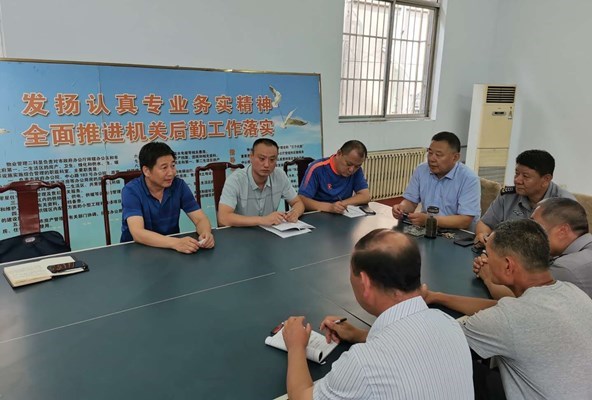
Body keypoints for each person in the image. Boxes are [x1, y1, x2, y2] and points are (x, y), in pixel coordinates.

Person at [282, 229, 473, 400]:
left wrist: (296, 346)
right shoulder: (449, 324)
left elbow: (301, 397)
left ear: (365, 283)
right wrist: (359, 335)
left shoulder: (363, 364)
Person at [423, 219, 592, 400]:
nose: (485, 259)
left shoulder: (507, 319)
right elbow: (503, 308)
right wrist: (437, 297)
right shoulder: (573, 292)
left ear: (508, 265)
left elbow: (436, 342)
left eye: (488, 254)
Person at [474, 197, 592, 298]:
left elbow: (521, 300)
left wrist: (488, 276)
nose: (530, 232)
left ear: (562, 231)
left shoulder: (566, 268)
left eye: (536, 226)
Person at [121, 142, 215, 253]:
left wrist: (205, 233)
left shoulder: (179, 185)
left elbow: (200, 219)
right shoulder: (131, 190)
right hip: (137, 251)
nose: (171, 173)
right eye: (164, 167)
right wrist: (176, 243)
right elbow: (138, 233)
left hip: (171, 249)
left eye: (173, 166)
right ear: (146, 171)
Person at [474, 149, 575, 245]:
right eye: (516, 174)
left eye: (525, 176)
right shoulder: (508, 195)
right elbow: (485, 223)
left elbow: (564, 245)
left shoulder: (564, 205)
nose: (517, 180)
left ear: (546, 179)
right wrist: (483, 235)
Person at [391, 131, 480, 229]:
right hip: (427, 228)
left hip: (458, 233)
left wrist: (430, 220)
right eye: (430, 153)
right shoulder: (421, 170)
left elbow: (465, 220)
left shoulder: (469, 179)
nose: (431, 159)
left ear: (455, 157)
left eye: (438, 155)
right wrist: (401, 208)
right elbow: (411, 202)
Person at [218, 138, 305, 227]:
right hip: (242, 231)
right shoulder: (236, 180)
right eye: (262, 159)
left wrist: (295, 213)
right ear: (251, 157)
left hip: (271, 231)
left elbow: (298, 203)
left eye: (272, 159)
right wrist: (262, 220)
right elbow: (223, 218)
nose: (267, 165)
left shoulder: (279, 175)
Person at [298, 140, 371, 214]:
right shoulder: (317, 168)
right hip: (318, 213)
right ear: (339, 153)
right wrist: (330, 207)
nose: (351, 170)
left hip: (341, 214)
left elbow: (365, 196)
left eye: (357, 166)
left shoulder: (357, 170)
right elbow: (302, 199)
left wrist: (342, 204)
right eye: (348, 164)